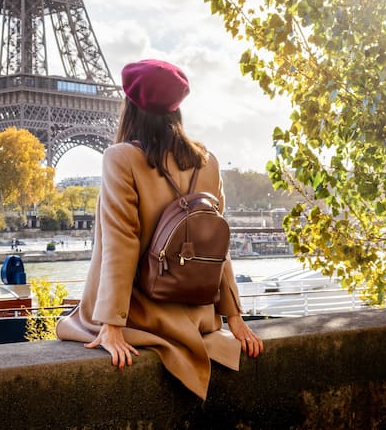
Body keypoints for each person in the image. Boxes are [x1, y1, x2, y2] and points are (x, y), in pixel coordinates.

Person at [56, 59, 263, 400]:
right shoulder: (207, 161)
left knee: (72, 323)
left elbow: (121, 244)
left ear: (131, 106)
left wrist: (112, 325)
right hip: (198, 314)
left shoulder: (121, 158)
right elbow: (217, 247)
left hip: (146, 313)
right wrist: (234, 318)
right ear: (177, 108)